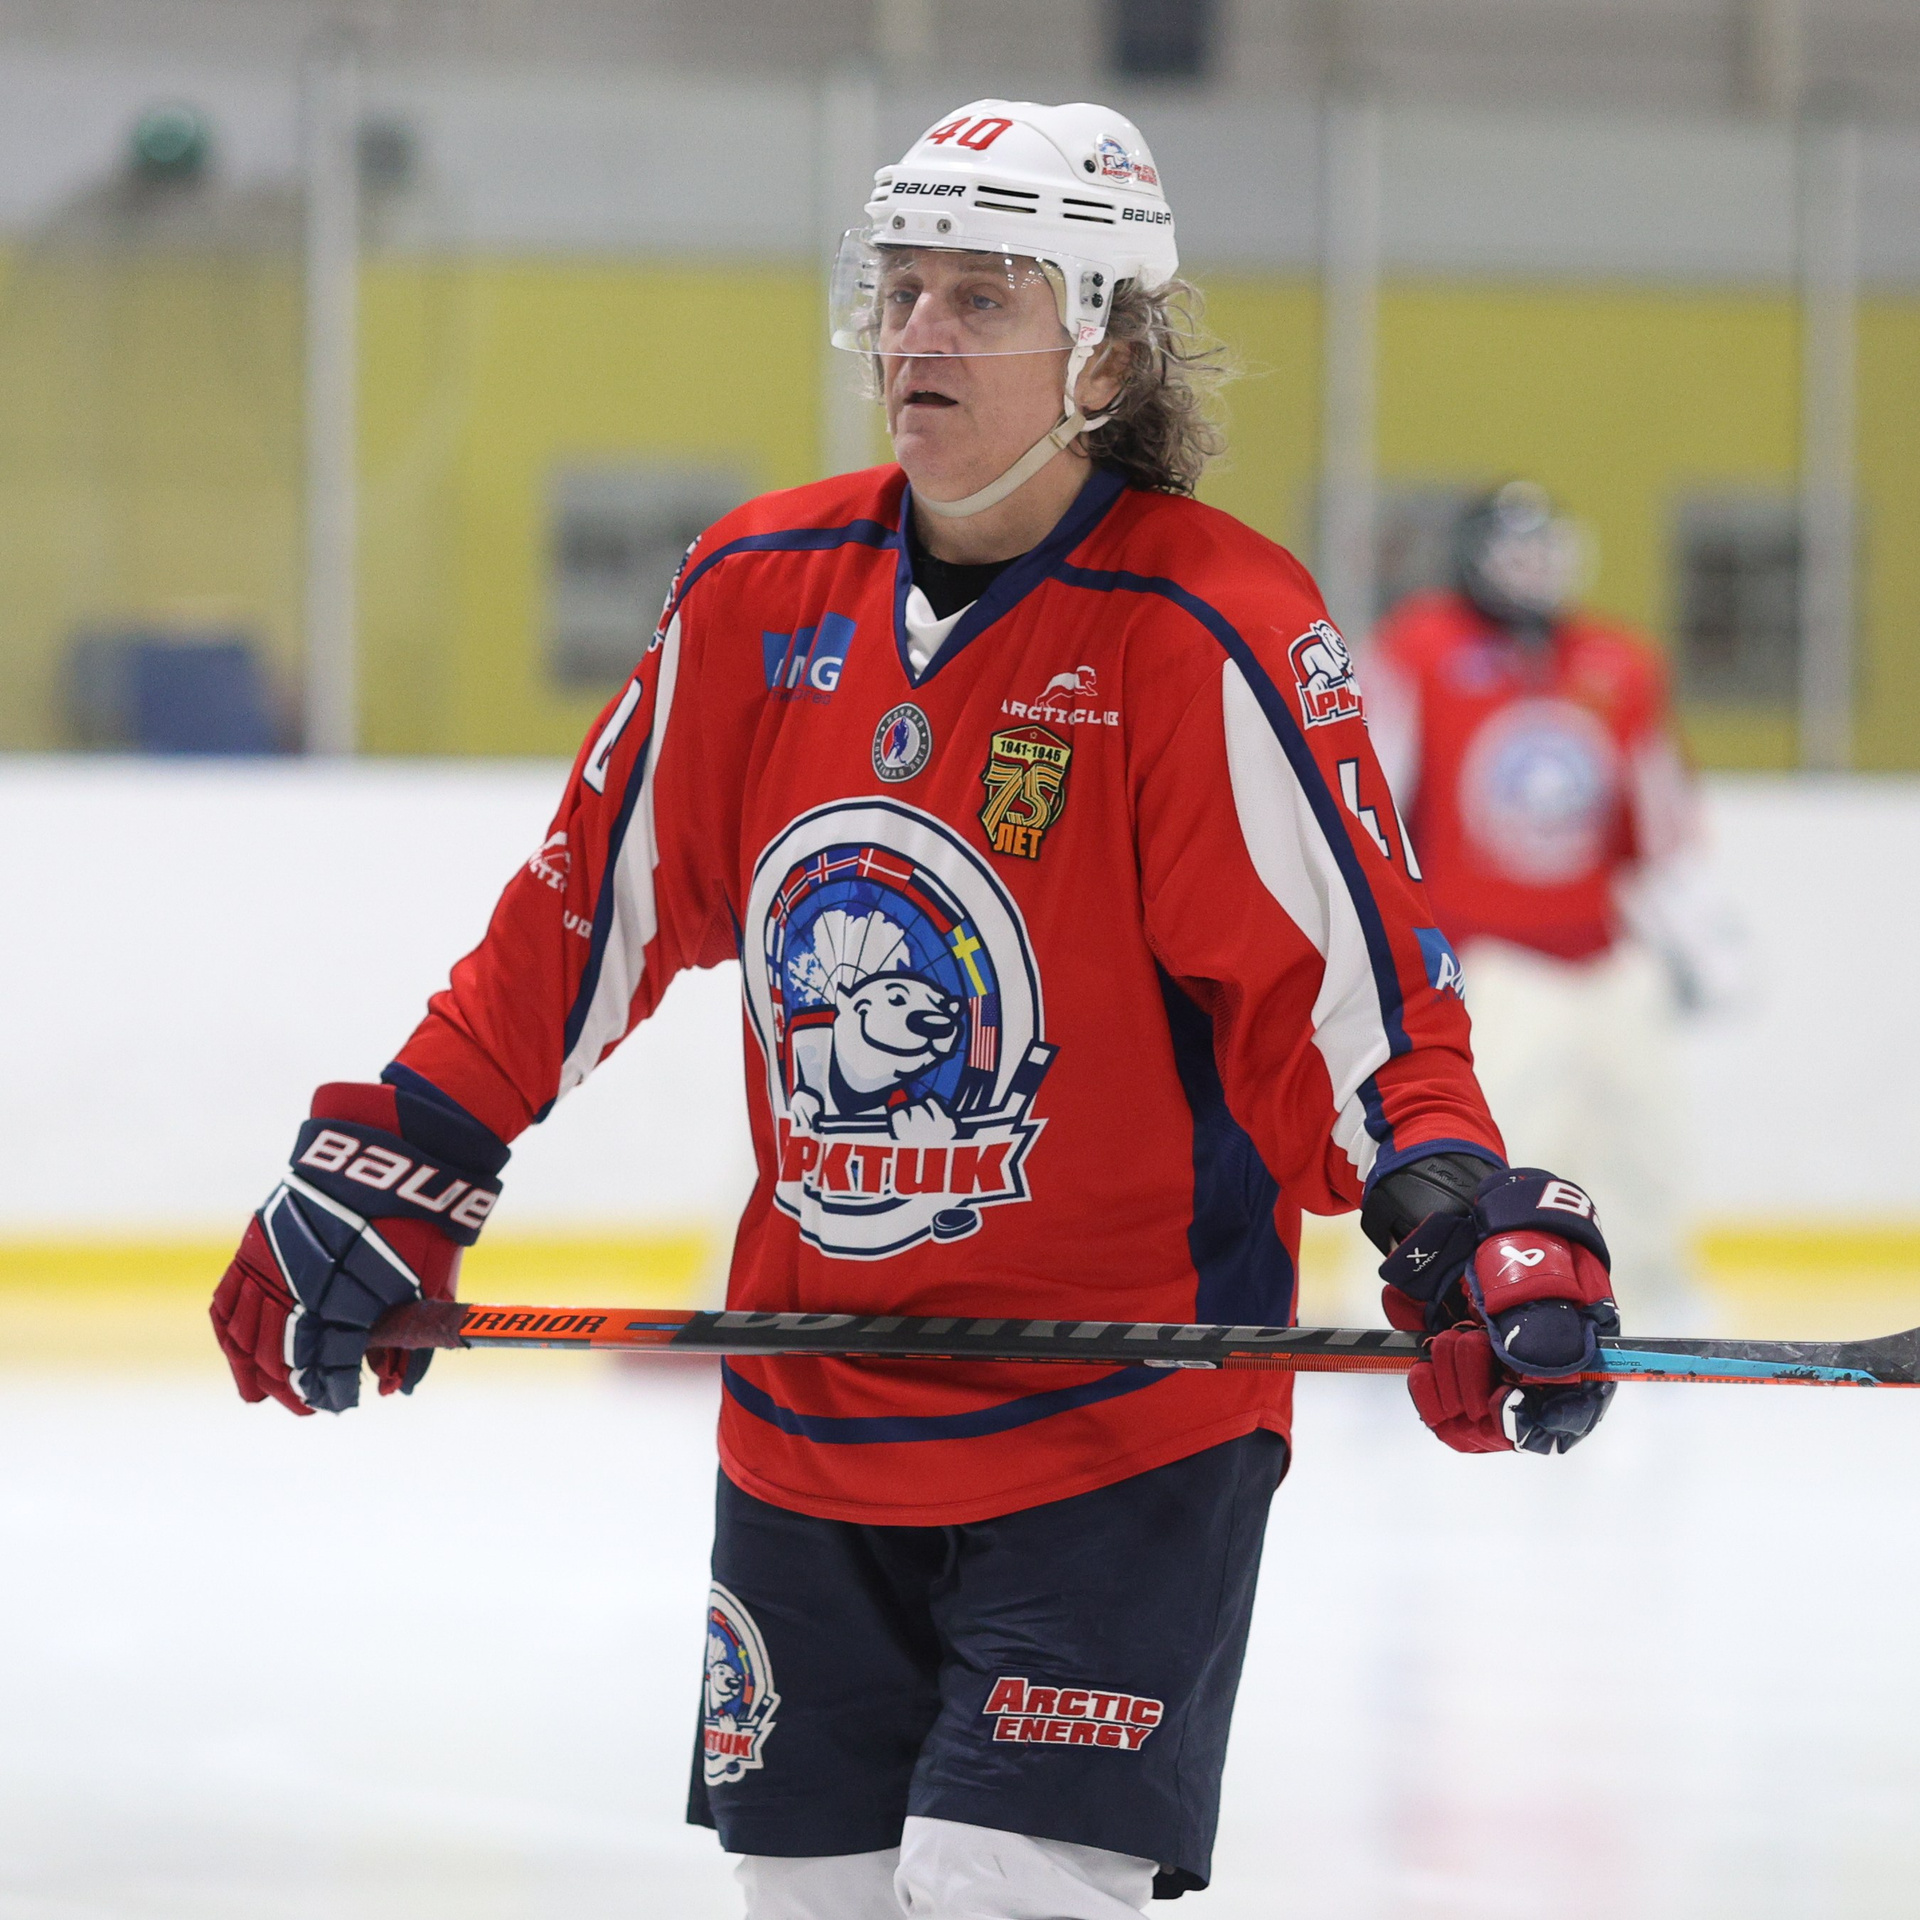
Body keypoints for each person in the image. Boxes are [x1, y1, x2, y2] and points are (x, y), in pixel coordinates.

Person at [211, 104, 1623, 1918]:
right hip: (809, 1414)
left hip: (1121, 1428)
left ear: (1105, 350)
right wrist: (411, 1145)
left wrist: (1451, 1209)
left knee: (995, 1889)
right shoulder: (757, 590)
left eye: (980, 296)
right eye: (898, 292)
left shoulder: (1206, 626)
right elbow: (578, 920)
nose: (916, 337)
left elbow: (1354, 1009)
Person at [1365, 482, 1744, 1316]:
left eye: (1547, 551)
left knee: (1645, 1147)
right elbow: (1373, 807)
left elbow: (1657, 820)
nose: (1534, 571)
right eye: (1516, 552)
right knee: (1475, 1155)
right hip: (1485, 964)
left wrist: (1701, 932)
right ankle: (1433, 1306)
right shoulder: (1416, 649)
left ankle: (1654, 1304)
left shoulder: (1617, 660)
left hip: (1606, 960)